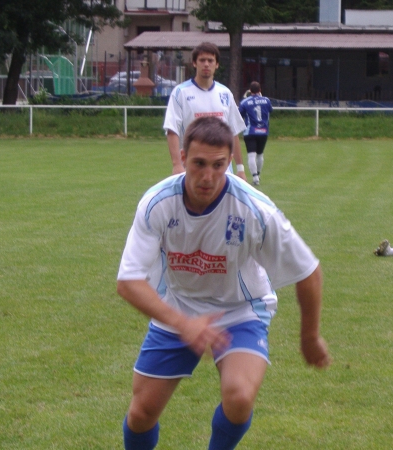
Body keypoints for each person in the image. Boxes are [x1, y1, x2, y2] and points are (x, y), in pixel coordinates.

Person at [117, 116, 330, 450]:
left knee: (239, 397)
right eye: (199, 164)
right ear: (183, 157)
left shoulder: (255, 209)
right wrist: (184, 324)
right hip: (178, 307)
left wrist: (309, 337)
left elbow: (308, 271)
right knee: (141, 413)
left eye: (218, 165)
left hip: (240, 311)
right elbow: (128, 281)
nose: (208, 176)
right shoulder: (157, 203)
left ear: (230, 160)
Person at [163, 41, 247, 181]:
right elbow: (172, 130)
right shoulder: (180, 92)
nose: (206, 64)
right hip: (192, 167)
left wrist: (240, 169)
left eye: (210, 60)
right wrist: (177, 164)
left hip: (223, 170)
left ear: (217, 64)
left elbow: (233, 131)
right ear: (194, 63)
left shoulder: (225, 93)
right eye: (202, 60)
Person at [238, 81, 273, 186]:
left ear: (250, 90)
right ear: (260, 89)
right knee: (260, 154)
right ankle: (258, 174)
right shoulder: (266, 100)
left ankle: (255, 177)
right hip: (263, 131)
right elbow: (270, 110)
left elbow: (240, 114)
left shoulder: (245, 102)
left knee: (251, 155)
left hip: (250, 131)